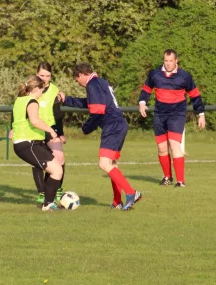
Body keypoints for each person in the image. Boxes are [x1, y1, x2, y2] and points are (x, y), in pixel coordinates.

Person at [58, 63, 142, 211]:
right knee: (112, 165)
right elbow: (88, 103)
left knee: (104, 164)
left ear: (81, 75)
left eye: (77, 80)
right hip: (119, 124)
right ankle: (117, 202)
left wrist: (86, 128)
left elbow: (97, 111)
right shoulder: (100, 82)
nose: (78, 83)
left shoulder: (92, 84)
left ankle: (131, 193)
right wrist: (67, 100)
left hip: (112, 126)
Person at [138, 49, 206, 187]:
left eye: (170, 61)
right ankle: (167, 177)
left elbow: (195, 95)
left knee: (174, 145)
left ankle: (180, 181)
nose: (168, 64)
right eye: (165, 61)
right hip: (160, 114)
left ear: (176, 61)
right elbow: (146, 90)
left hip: (177, 114)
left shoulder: (184, 76)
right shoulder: (155, 74)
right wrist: (142, 102)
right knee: (162, 148)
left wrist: (201, 114)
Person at [12, 75, 64, 212]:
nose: (42, 92)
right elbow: (34, 121)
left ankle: (48, 203)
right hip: (28, 144)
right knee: (57, 171)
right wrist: (51, 131)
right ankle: (48, 204)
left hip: (30, 143)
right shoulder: (32, 101)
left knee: (56, 168)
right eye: (41, 89)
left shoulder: (20, 100)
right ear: (35, 88)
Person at [33, 62, 67, 204]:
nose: (45, 78)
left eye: (48, 75)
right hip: (34, 128)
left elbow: (57, 112)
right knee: (38, 162)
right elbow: (19, 106)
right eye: (42, 75)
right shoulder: (31, 88)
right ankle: (42, 192)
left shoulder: (54, 89)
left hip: (51, 129)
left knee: (59, 157)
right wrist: (12, 128)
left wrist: (60, 133)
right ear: (36, 74)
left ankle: (57, 188)